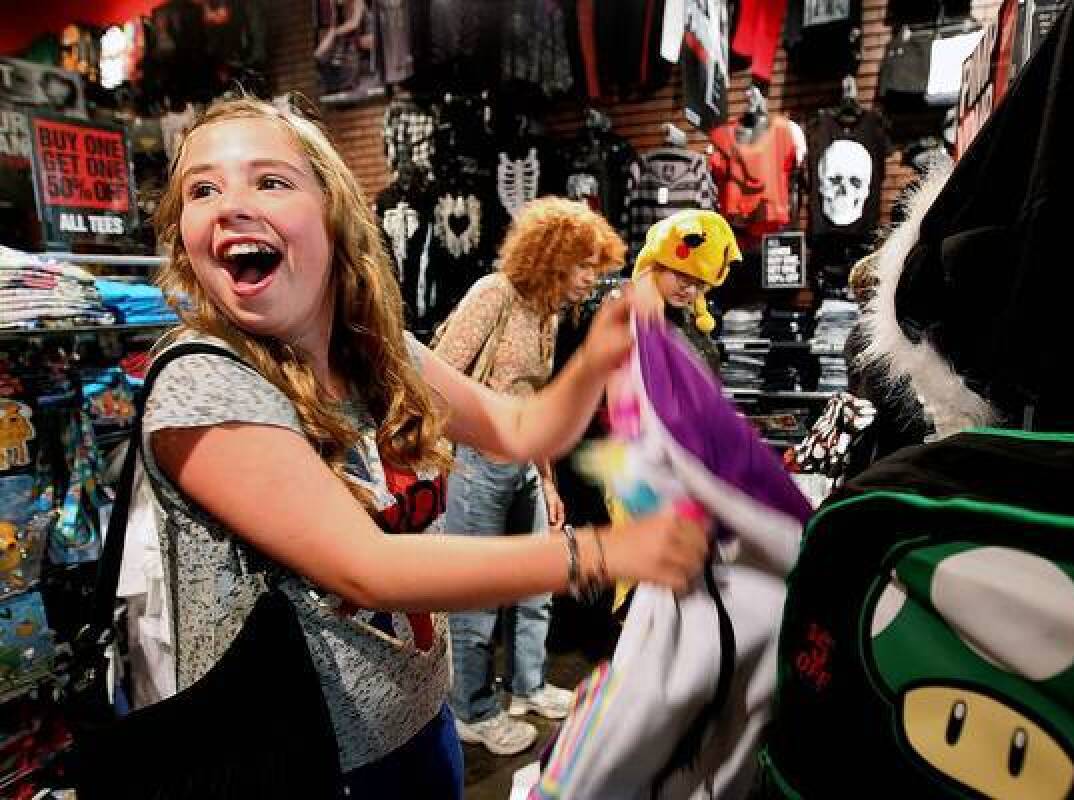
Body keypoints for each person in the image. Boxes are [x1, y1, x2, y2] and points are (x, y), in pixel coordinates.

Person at [145, 94, 708, 798]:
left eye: (269, 180)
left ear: (332, 213)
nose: (230, 204)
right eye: (202, 188)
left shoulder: (377, 352)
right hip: (298, 767)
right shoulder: (203, 378)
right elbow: (367, 568)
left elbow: (519, 428)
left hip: (416, 728)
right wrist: (599, 553)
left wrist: (597, 359)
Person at [433, 197, 623, 754]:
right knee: (476, 591)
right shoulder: (493, 294)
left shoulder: (548, 312)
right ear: (551, 257)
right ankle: (473, 709)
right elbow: (437, 376)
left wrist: (546, 478)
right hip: (476, 462)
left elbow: (532, 400)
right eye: (583, 264)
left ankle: (528, 686)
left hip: (522, 463)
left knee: (539, 579)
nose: (592, 277)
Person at [631, 209, 742, 374]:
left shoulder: (690, 320)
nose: (689, 290)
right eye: (682, 277)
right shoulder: (627, 318)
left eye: (699, 285)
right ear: (656, 265)